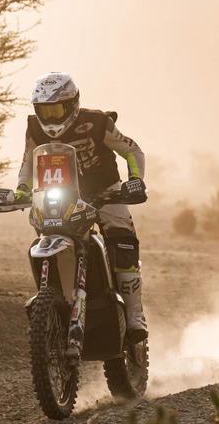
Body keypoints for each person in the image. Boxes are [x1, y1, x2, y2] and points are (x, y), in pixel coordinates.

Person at [15, 72, 148, 342]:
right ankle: (57, 301)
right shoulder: (34, 128)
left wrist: (135, 181)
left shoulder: (98, 122)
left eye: (56, 109)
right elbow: (28, 162)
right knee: (45, 234)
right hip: (60, 195)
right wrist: (21, 191)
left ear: (73, 104)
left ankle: (135, 315)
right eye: (44, 110)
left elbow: (132, 151)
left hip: (106, 191)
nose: (50, 117)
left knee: (122, 239)